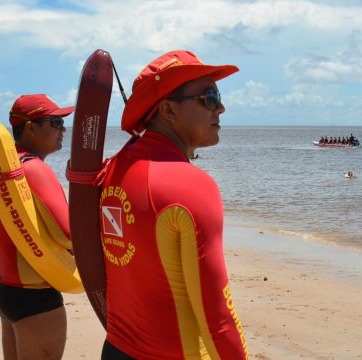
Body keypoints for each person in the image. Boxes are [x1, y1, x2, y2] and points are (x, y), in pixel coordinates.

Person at [98, 50, 248, 359]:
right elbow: (218, 319)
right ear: (168, 110)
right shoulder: (191, 186)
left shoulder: (110, 170)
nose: (220, 107)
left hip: (115, 350)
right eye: (209, 97)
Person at [0, 94, 75, 360]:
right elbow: (68, 234)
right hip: (35, 295)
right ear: (31, 127)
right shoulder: (35, 169)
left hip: (4, 288)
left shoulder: (1, 172)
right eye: (55, 122)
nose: (63, 130)